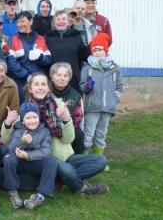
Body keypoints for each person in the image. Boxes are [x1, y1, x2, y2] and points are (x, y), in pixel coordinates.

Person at [24, 72, 109, 195]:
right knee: (66, 169)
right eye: (36, 84)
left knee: (101, 160)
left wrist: (65, 119)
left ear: (48, 88)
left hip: (66, 156)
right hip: (45, 160)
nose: (40, 87)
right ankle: (84, 189)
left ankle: (59, 180)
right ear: (30, 89)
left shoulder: (58, 104)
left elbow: (68, 139)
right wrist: (8, 124)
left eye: (43, 84)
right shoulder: (25, 109)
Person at [80, 33, 122, 171]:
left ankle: (100, 161)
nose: (97, 53)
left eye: (100, 49)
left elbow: (119, 86)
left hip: (108, 108)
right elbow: (82, 85)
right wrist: (87, 87)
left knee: (101, 135)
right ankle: (85, 160)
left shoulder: (115, 68)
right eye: (94, 50)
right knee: (88, 134)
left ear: (106, 50)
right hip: (92, 107)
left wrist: (115, 99)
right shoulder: (88, 68)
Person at [3, 102, 57, 210]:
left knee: (51, 161)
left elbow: (46, 150)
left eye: (35, 117)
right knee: (8, 157)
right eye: (28, 118)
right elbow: (11, 148)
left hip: (35, 162)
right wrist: (22, 142)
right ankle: (13, 192)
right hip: (20, 162)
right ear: (22, 120)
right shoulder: (18, 130)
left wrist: (28, 154)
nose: (32, 121)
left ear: (39, 118)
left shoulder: (44, 131)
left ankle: (40, 196)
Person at [7, 11, 52, 102]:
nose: (19, 24)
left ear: (30, 21)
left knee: (39, 110)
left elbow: (48, 61)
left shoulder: (40, 39)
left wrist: (40, 58)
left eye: (22, 21)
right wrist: (27, 75)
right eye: (18, 22)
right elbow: (11, 62)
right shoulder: (12, 39)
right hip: (20, 83)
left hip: (38, 83)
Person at [45, 10, 89, 92]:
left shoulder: (76, 36)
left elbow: (84, 55)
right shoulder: (48, 37)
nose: (61, 21)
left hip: (73, 78)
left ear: (68, 22)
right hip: (53, 78)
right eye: (58, 19)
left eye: (64, 19)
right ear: (54, 23)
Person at [50, 62, 84, 154]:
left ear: (69, 78)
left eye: (65, 75)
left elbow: (78, 118)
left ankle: (78, 161)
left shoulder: (75, 95)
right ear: (52, 77)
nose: (62, 78)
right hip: (49, 127)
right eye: (59, 75)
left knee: (79, 134)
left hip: (68, 127)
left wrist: (66, 127)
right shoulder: (45, 92)